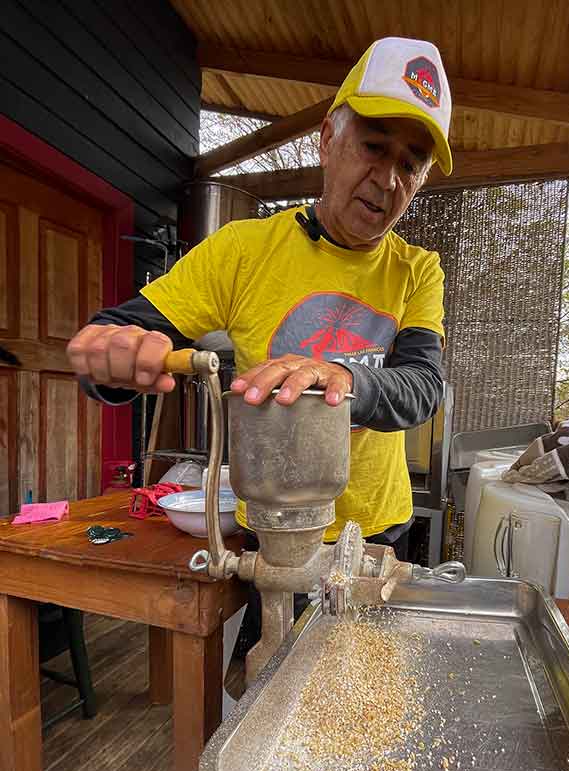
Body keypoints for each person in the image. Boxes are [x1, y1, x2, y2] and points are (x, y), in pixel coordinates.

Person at [67, 36, 453, 645]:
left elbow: (422, 389)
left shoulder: (416, 270)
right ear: (328, 139)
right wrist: (112, 357)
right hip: (275, 533)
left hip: (377, 528)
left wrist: (343, 376)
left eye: (411, 163)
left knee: (371, 708)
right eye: (374, 147)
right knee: (269, 688)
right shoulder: (245, 251)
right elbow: (129, 329)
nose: (387, 179)